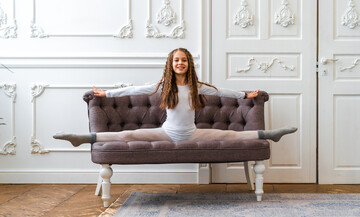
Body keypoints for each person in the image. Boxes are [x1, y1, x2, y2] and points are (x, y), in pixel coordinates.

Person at [54, 48, 297, 147]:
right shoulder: (162, 87)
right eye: (176, 60)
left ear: (188, 64)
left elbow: (223, 92)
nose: (180, 63)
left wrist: (245, 94)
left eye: (183, 60)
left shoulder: (198, 87)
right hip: (166, 132)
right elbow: (133, 89)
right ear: (170, 65)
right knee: (126, 135)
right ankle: (83, 138)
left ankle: (270, 135)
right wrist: (106, 93)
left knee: (231, 135)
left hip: (192, 133)